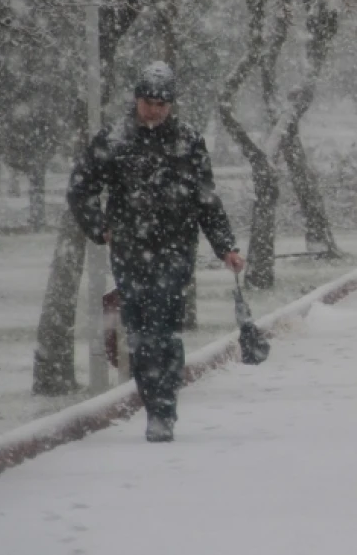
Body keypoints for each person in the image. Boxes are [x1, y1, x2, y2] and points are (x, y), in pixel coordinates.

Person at [67, 61, 245, 443]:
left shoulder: (188, 140)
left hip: (176, 249)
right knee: (140, 332)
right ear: (137, 99)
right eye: (149, 102)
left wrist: (225, 246)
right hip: (130, 251)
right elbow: (80, 188)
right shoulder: (114, 139)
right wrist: (101, 228)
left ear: (172, 105)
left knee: (164, 328)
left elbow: (205, 199)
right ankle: (154, 404)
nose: (155, 110)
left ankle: (163, 407)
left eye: (163, 104)